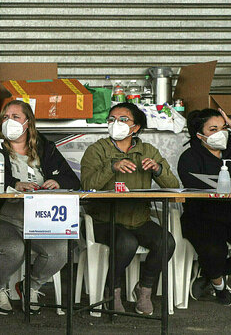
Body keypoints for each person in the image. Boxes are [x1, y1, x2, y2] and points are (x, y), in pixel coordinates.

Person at [0, 100, 80, 315]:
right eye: (5, 117)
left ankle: (31, 286)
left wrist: (58, 183)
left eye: (15, 117)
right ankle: (0, 287)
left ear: (28, 123)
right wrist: (13, 183)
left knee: (60, 250)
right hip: (4, 218)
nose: (9, 121)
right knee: (13, 249)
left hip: (41, 220)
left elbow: (72, 180)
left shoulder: (45, 148)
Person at [80, 102, 179, 315]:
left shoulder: (148, 151)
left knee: (166, 241)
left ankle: (144, 290)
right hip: (103, 221)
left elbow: (174, 186)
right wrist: (111, 167)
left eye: (123, 119)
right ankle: (112, 292)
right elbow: (86, 186)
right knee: (126, 241)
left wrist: (158, 169)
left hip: (138, 219)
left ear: (136, 128)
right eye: (111, 119)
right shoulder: (96, 150)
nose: (116, 124)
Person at [177, 108, 231, 306]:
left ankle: (209, 272)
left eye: (224, 128)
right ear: (200, 135)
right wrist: (229, 181)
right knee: (214, 251)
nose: (220, 133)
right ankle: (219, 285)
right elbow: (192, 185)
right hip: (202, 217)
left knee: (215, 260)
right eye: (213, 129)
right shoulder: (190, 157)